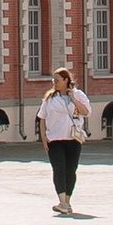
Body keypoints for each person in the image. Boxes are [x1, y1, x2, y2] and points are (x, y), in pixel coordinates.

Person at [39, 66, 92, 215]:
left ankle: (67, 201)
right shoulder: (50, 98)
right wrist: (44, 137)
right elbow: (42, 117)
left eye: (57, 80)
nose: (54, 83)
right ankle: (62, 201)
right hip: (54, 139)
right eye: (53, 80)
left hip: (73, 138)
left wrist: (74, 100)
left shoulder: (78, 95)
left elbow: (86, 112)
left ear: (66, 80)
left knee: (70, 170)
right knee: (59, 168)